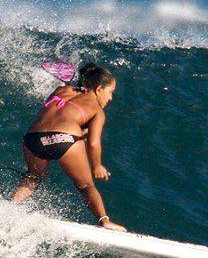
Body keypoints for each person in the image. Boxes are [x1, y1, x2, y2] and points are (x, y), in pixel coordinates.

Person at [11, 63, 127, 231]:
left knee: (34, 177)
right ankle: (104, 221)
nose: (111, 98)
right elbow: (93, 143)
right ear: (99, 89)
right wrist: (97, 165)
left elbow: (58, 114)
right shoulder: (97, 111)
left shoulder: (60, 90)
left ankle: (12, 205)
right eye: (110, 92)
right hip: (65, 139)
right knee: (86, 186)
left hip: (32, 139)